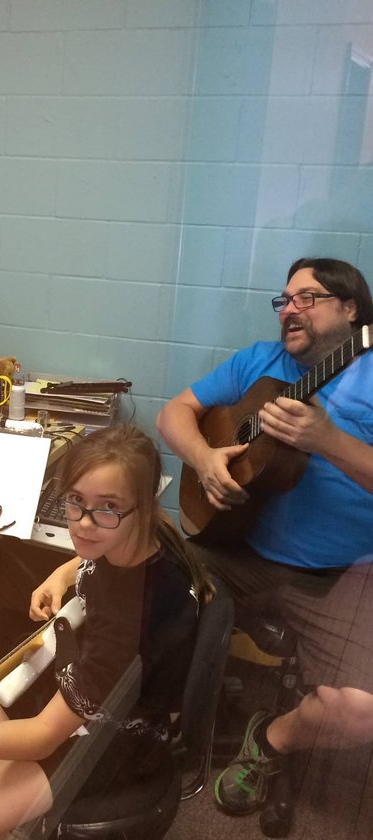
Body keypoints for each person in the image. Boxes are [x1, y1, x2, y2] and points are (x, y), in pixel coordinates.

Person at [0, 424, 213, 840]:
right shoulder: (140, 537)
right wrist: (60, 575)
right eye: (75, 502)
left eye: (106, 507)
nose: (84, 524)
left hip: (104, 747)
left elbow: (39, 741)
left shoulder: (128, 624)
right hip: (73, 699)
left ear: (141, 507)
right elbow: (88, 561)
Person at [155, 256, 373, 815]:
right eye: (284, 300)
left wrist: (327, 440)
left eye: (307, 298)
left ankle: (269, 738)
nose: (290, 311)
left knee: (361, 712)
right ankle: (157, 733)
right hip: (236, 549)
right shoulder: (259, 360)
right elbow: (174, 413)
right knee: (151, 578)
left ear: (351, 309)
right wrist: (203, 458)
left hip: (341, 575)